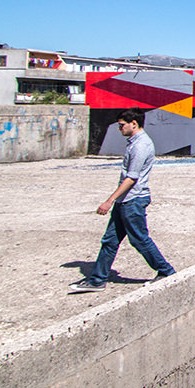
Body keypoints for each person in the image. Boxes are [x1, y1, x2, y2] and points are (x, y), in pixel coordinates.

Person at [69, 109, 175, 292]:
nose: (119, 129)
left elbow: (131, 178)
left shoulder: (141, 145)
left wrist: (109, 200)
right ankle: (97, 280)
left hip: (132, 201)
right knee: (110, 240)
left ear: (134, 123)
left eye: (121, 125)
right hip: (125, 201)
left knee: (139, 240)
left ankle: (166, 271)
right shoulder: (134, 143)